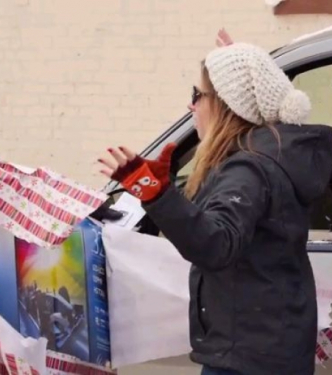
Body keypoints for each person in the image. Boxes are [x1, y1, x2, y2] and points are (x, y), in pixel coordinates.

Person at [99, 42, 332, 375]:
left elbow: (216, 243)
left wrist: (156, 193)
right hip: (274, 348)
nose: (191, 105)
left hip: (245, 360)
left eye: (198, 94)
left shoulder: (248, 169)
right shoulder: (274, 158)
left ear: (226, 105)